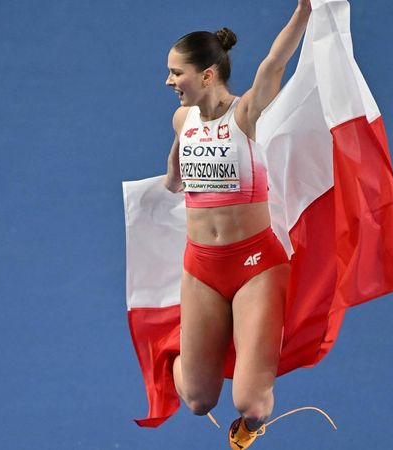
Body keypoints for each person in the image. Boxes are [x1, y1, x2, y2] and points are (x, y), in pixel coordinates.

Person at [163, 1, 311, 448]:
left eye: (177, 73)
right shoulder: (182, 118)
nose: (169, 81)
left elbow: (275, 61)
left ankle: (252, 424)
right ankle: (174, 351)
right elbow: (176, 165)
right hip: (201, 268)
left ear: (208, 75)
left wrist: (305, 9)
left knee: (252, 401)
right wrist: (173, 172)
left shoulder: (246, 116)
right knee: (196, 399)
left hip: (255, 266)